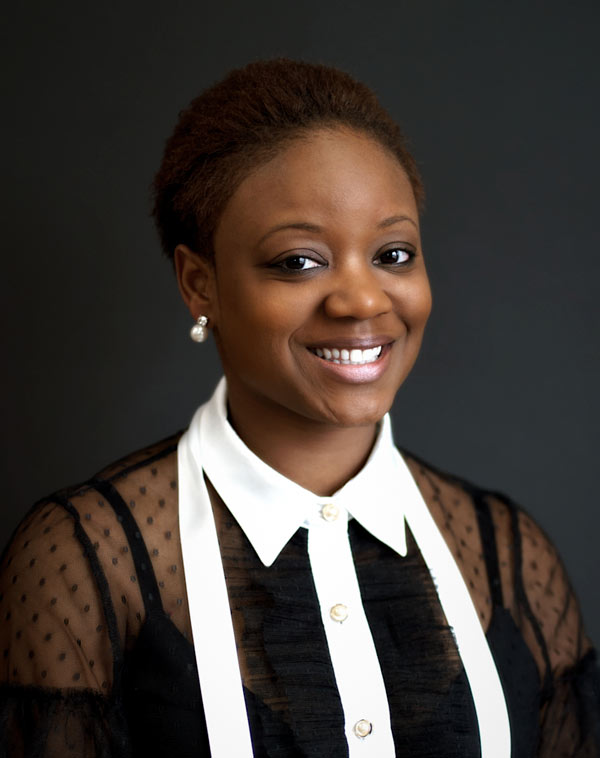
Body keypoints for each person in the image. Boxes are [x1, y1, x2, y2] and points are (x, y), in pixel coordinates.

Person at [0, 59, 598, 758]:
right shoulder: (87, 560)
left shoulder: (510, 556)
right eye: (299, 262)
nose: (363, 301)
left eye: (394, 253)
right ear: (200, 285)